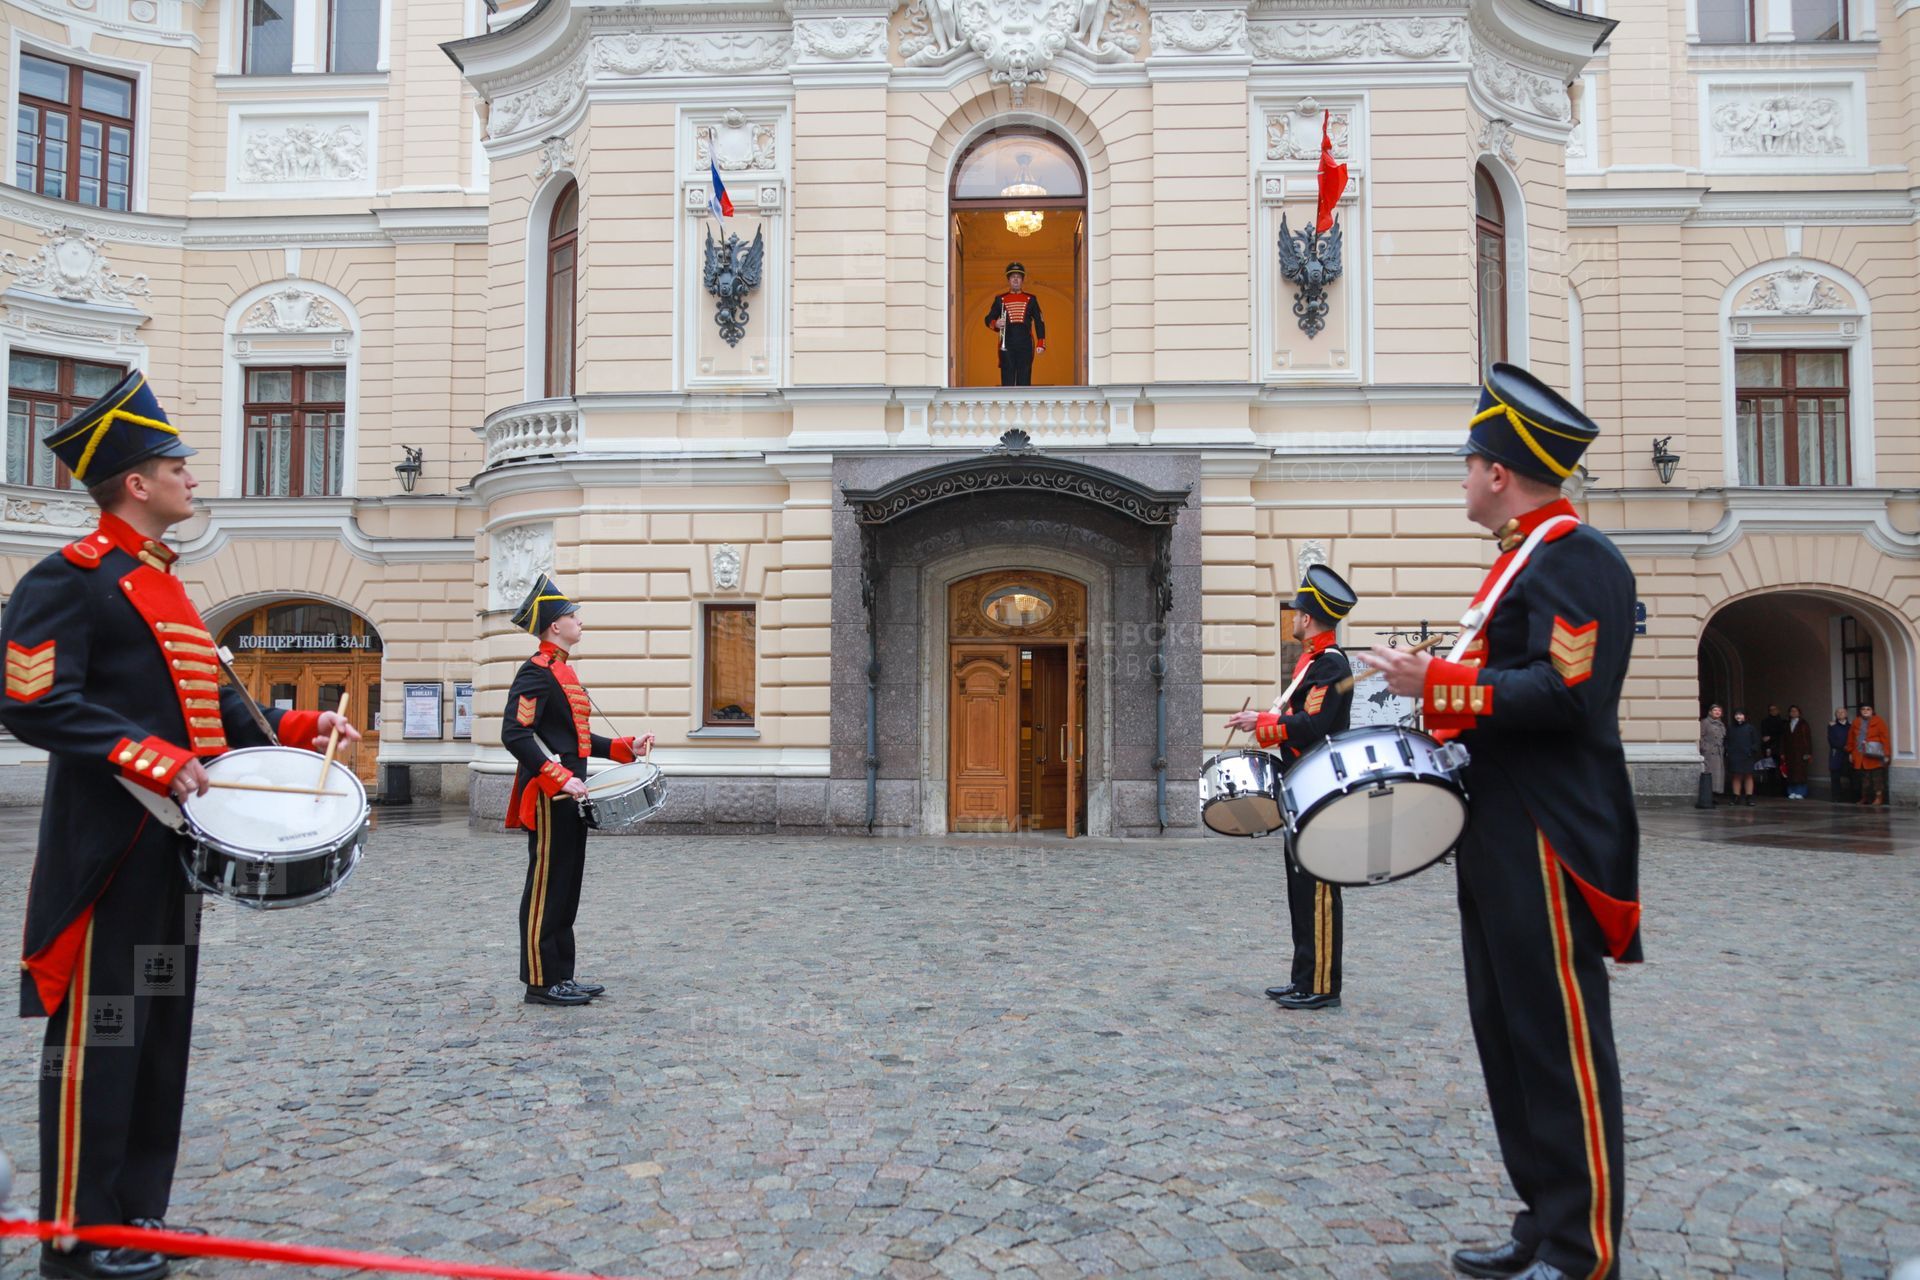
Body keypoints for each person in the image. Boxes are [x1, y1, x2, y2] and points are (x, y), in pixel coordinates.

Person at [0, 371, 357, 1280]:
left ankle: (138, 1217)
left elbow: (216, 712)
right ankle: (78, 1236)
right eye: (177, 467)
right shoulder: (71, 580)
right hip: (111, 852)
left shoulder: (163, 587)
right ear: (134, 483)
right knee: (104, 1030)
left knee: (159, 1029)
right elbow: (30, 701)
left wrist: (302, 731)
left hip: (173, 854)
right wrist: (144, 756)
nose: (192, 479)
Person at [1362, 363, 1640, 1280]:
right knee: (1511, 1037)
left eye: (1469, 464)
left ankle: (1584, 1247)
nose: (1464, 480)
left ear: (1497, 472)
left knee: (1558, 1043)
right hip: (1497, 828)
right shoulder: (1524, 559)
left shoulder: (1577, 559)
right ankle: (1543, 1220)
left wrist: (1434, 680)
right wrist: (1434, 682)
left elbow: (1568, 695)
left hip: (1547, 834)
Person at [502, 575, 654, 1006]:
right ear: (554, 625)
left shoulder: (562, 670)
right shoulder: (535, 672)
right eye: (572, 615)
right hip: (552, 798)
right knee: (546, 887)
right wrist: (555, 776)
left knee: (567, 887)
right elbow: (514, 733)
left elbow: (578, 741)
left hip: (574, 795)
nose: (578, 620)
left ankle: (561, 975)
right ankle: (539, 981)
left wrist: (626, 748)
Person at [1225, 564, 1359, 1012]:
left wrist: (1261, 722)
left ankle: (1321, 985)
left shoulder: (1331, 665)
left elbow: (1311, 726)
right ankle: (1303, 978)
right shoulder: (1314, 664)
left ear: (1308, 618)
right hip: (1303, 787)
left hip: (1319, 790)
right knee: (1301, 889)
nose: (1294, 619)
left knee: (1318, 889)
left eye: (1297, 613)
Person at [985, 263, 1045, 387]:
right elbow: (988, 318)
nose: (1016, 279)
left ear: (1022, 280)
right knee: (1007, 376)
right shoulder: (1000, 299)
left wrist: (1041, 342)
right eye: (1013, 277)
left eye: (1018, 277)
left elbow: (1039, 321)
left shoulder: (1031, 299)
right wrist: (995, 323)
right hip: (1007, 342)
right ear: (1009, 280)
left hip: (1025, 343)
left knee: (1024, 376)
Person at [1850, 703, 1891, 806]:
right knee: (1864, 779)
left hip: (1875, 755)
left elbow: (1885, 738)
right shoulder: (1855, 722)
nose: (1865, 711)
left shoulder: (1879, 721)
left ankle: (1878, 798)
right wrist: (1850, 752)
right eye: (1863, 709)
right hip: (1860, 755)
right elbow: (1850, 739)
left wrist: (1886, 754)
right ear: (1860, 711)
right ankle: (1865, 798)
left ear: (1872, 711)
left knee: (1877, 778)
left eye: (1868, 709)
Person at [1724, 709, 1760, 807]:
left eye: (1740, 714)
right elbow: (1726, 741)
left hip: (1747, 755)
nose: (1738, 716)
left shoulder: (1750, 728)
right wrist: (1728, 751)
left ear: (1745, 716)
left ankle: (1749, 797)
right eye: (1736, 715)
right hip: (1734, 755)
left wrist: (1751, 751)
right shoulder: (1731, 728)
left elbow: (1756, 741)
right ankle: (1736, 797)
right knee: (1736, 776)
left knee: (1748, 776)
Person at [1782, 705, 1813, 800]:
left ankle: (1801, 792)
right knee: (1790, 772)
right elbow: (1783, 739)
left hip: (1801, 752)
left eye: (1795, 711)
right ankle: (1791, 791)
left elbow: (1807, 739)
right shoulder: (1786, 724)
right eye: (1791, 711)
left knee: (1801, 772)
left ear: (1799, 712)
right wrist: (1782, 752)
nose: (1793, 713)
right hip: (1789, 752)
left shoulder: (1803, 724)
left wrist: (1808, 752)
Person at [1698, 704, 1727, 803]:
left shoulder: (1721, 724)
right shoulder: (1705, 722)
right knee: (1709, 772)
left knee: (1718, 775)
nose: (1717, 712)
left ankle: (1715, 794)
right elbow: (1700, 736)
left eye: (1719, 710)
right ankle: (1708, 795)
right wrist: (1705, 747)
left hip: (1718, 752)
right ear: (1710, 712)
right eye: (1715, 710)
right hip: (1709, 752)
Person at [1829, 707, 1856, 803]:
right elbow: (1832, 741)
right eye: (1838, 712)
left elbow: (1854, 739)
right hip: (1837, 754)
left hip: (1849, 754)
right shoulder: (1832, 726)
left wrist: (1849, 750)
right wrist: (1844, 747)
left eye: (1842, 712)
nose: (1840, 713)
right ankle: (1836, 797)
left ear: (1846, 714)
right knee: (1835, 775)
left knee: (1852, 775)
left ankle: (1854, 797)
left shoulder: (1851, 726)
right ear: (1836, 715)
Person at [1759, 704, 1788, 796]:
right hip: (1769, 749)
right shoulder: (1765, 722)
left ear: (1778, 710)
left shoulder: (1783, 722)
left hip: (1781, 749)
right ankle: (1772, 791)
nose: (1773, 711)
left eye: (1774, 709)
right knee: (1770, 771)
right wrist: (1767, 747)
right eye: (1770, 710)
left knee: (1782, 770)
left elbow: (1783, 736)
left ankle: (1783, 791)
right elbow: (1765, 737)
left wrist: (1771, 737)